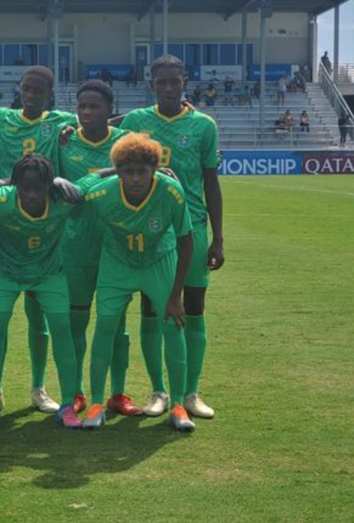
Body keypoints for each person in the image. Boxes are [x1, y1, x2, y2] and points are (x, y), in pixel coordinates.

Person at [119, 54, 224, 420]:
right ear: (151, 85)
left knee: (192, 310)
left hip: (192, 226)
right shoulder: (136, 121)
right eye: (160, 82)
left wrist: (218, 237)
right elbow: (107, 131)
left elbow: (211, 182)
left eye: (173, 81)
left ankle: (191, 392)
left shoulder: (203, 125)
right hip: (150, 230)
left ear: (185, 82)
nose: (167, 87)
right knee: (151, 310)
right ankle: (159, 391)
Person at [0, 66, 78, 413]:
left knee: (39, 320)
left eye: (38, 90)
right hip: (7, 214)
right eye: (25, 88)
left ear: (50, 93)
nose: (30, 95)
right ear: (19, 89)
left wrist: (69, 136)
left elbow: (102, 122)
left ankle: (39, 388)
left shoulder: (63, 120)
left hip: (44, 221)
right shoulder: (1, 118)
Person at [81, 132, 195, 432]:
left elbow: (186, 241)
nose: (134, 178)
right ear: (118, 172)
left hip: (159, 260)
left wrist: (175, 296)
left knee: (172, 324)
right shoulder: (102, 194)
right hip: (117, 263)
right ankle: (95, 403)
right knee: (105, 326)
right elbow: (77, 194)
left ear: (154, 170)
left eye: (141, 171)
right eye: (127, 171)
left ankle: (179, 404)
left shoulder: (171, 191)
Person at [0, 154, 91, 429]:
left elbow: (90, 185)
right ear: (16, 186)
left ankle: (68, 405)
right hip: (5, 273)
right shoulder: (0, 202)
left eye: (40, 187)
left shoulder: (63, 201)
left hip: (48, 274)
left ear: (50, 185)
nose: (33, 195)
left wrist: (62, 181)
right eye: (26, 188)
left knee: (62, 329)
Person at [58, 80, 139, 416]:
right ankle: (75, 392)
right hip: (75, 246)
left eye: (95, 106)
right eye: (82, 107)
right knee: (75, 324)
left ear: (109, 110)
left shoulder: (125, 143)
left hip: (115, 246)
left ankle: (117, 394)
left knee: (115, 325)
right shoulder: (63, 141)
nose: (87, 112)